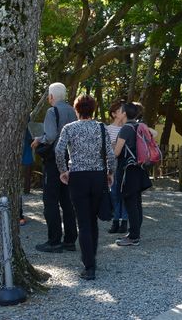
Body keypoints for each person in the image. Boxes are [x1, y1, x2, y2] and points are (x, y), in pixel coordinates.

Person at [56, 94, 116, 281]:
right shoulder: (100, 127)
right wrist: (110, 172)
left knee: (82, 221)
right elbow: (111, 155)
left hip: (78, 177)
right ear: (93, 109)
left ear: (76, 109)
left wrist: (63, 171)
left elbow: (59, 151)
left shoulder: (69, 128)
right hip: (97, 176)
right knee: (92, 220)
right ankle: (92, 259)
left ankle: (89, 266)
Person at [31, 82, 78, 253]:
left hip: (53, 160)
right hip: (69, 158)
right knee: (67, 201)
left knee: (50, 201)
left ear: (51, 96)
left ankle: (54, 240)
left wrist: (38, 139)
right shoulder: (73, 111)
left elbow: (50, 136)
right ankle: (70, 240)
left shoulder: (52, 111)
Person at [113, 101, 153, 247]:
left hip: (128, 170)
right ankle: (135, 233)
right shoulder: (139, 126)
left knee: (130, 203)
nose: (118, 113)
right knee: (137, 203)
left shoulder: (125, 129)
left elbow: (116, 152)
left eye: (120, 110)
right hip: (139, 168)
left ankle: (133, 237)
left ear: (124, 113)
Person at [105, 99, 128, 235]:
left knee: (124, 193)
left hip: (125, 166)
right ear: (114, 114)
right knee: (114, 194)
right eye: (120, 110)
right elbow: (106, 149)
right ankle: (115, 221)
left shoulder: (128, 128)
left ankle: (124, 221)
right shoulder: (107, 129)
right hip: (113, 166)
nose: (123, 112)